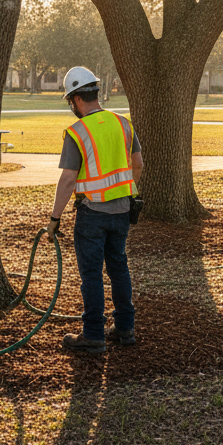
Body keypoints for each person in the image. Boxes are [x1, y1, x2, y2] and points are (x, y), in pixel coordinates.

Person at [46, 66, 144, 355]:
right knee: (119, 268)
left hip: (91, 213)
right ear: (95, 92)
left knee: (91, 275)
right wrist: (127, 192)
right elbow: (137, 164)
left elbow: (67, 179)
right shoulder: (123, 123)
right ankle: (125, 329)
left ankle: (93, 335)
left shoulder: (77, 131)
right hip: (122, 210)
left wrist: (54, 218)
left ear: (75, 100)